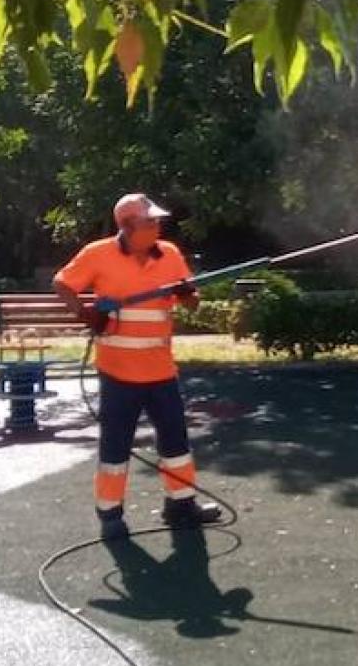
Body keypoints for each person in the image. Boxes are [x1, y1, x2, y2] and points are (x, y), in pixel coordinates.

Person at [53, 193, 221, 540]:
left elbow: (191, 303)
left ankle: (181, 506)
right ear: (128, 226)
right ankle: (110, 515)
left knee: (176, 444)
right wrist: (84, 312)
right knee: (115, 447)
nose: (158, 225)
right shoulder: (97, 254)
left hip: (162, 373)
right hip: (118, 375)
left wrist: (189, 293)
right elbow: (62, 283)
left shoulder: (170, 254)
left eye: (158, 220)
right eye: (150, 221)